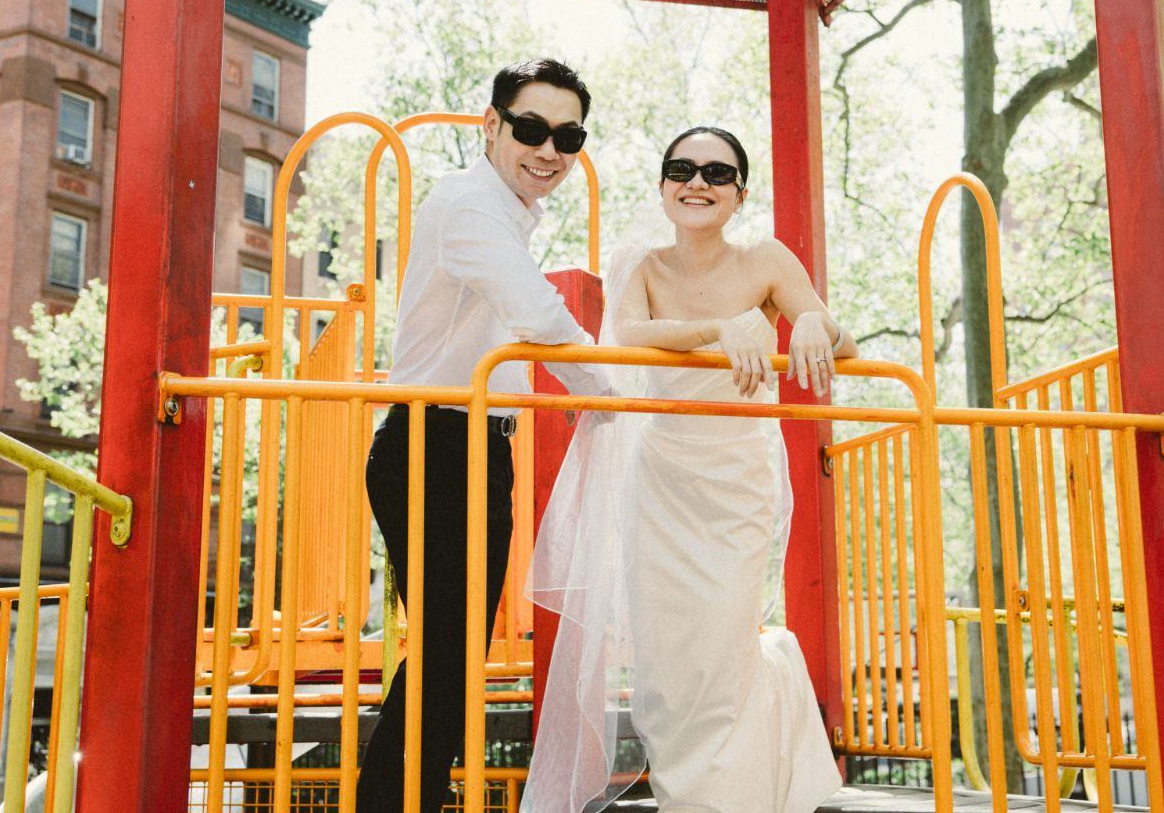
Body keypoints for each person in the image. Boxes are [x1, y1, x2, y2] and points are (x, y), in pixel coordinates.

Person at [524, 126, 856, 813]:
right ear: (663, 185)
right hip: (661, 477)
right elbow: (629, 334)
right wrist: (718, 328)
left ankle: (733, 796)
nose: (697, 182)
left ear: (740, 193)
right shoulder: (639, 264)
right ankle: (689, 792)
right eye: (682, 169)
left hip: (736, 477)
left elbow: (835, 336)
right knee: (668, 652)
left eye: (716, 172)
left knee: (723, 641)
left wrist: (815, 324)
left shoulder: (767, 259)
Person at [358, 58, 611, 813]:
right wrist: (614, 392)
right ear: (492, 125)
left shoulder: (501, 212)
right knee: (448, 651)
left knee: (453, 653)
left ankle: (408, 799)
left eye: (569, 137)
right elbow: (538, 313)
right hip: (435, 443)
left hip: (470, 445)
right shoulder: (470, 205)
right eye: (532, 128)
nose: (549, 150)